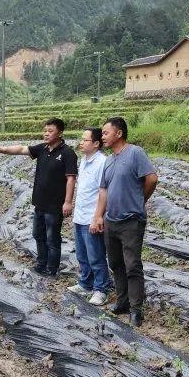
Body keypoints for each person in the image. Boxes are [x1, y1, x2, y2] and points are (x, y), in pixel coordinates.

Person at [90, 117, 158, 326]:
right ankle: (123, 302)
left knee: (132, 265)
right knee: (116, 263)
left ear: (119, 133)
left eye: (105, 133)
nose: (102, 136)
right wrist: (98, 215)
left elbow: (152, 179)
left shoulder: (135, 153)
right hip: (111, 220)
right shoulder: (109, 161)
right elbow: (103, 190)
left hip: (131, 220)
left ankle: (137, 309)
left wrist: (140, 199)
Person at [0, 119, 77, 276]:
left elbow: (71, 179)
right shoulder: (42, 148)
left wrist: (68, 202)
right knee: (38, 234)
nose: (46, 133)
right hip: (40, 203)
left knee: (52, 239)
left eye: (50, 131)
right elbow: (22, 149)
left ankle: (52, 269)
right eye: (45, 131)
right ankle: (41, 264)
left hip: (55, 205)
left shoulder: (67, 153)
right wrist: (3, 150)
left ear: (60, 133)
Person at [68, 127, 112, 305]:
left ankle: (101, 289)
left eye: (85, 140)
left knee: (96, 255)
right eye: (81, 139)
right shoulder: (84, 160)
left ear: (96, 143)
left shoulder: (102, 162)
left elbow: (104, 192)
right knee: (82, 254)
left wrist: (98, 217)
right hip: (80, 215)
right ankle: (86, 283)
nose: (81, 142)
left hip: (92, 217)